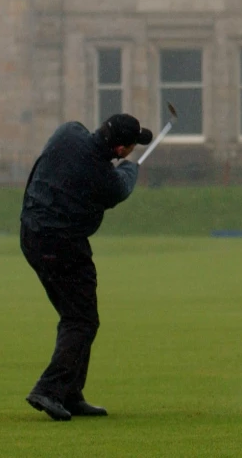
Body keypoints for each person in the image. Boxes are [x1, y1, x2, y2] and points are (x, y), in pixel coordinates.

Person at [19, 113, 151, 421]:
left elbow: (82, 157)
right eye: (132, 147)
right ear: (121, 150)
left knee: (77, 316)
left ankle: (69, 392)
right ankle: (49, 390)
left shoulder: (68, 132)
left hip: (31, 234)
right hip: (60, 244)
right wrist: (132, 168)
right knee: (81, 319)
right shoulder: (105, 177)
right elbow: (121, 186)